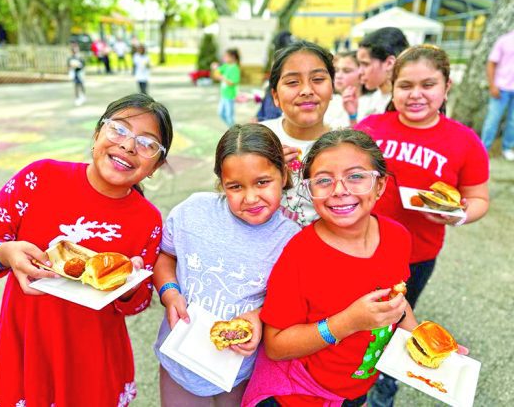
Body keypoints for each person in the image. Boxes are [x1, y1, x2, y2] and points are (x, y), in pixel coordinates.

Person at [0, 93, 173, 406]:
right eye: (119, 129)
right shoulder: (39, 178)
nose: (129, 146)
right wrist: (5, 252)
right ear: (96, 135)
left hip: (94, 356)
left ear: (156, 165)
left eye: (147, 143)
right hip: (29, 345)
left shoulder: (148, 220)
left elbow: (139, 302)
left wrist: (128, 285)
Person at [242, 129, 419, 406]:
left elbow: (397, 300)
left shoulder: (398, 237)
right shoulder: (300, 255)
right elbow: (276, 346)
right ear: (310, 190)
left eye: (356, 176)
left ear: (381, 185)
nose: (339, 190)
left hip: (356, 388)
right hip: (299, 396)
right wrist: (347, 323)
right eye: (323, 180)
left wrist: (422, 343)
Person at [354, 45, 489, 407]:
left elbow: (478, 198)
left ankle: (383, 391)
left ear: (446, 87)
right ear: (392, 88)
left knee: (393, 324)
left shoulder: (464, 141)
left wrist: (458, 214)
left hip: (416, 256)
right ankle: (346, 387)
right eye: (406, 85)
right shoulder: (369, 128)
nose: (416, 94)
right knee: (354, 323)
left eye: (428, 84)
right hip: (356, 249)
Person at [153, 123, 300, 406]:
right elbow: (166, 255)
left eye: (262, 182)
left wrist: (258, 316)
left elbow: (288, 301)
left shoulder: (292, 240)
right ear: (222, 182)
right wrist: (169, 292)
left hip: (241, 366)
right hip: (180, 357)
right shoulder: (191, 212)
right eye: (235, 186)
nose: (251, 197)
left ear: (283, 174)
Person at [260, 40, 334, 227]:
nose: (307, 91)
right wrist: (263, 171)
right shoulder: (257, 140)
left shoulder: (347, 145)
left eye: (318, 79)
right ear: (275, 96)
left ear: (332, 88)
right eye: (293, 82)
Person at [345, 27, 409, 126]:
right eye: (359, 64)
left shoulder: (406, 104)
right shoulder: (372, 99)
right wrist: (353, 116)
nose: (360, 72)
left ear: (389, 63)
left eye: (365, 64)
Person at [480, 29, 514, 160]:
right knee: (492, 120)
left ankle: (507, 148)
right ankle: (484, 149)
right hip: (501, 88)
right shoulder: (504, 40)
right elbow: (491, 63)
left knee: (513, 122)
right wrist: (492, 85)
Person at [324, 51, 371, 129]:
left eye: (346, 71)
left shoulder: (371, 103)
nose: (338, 76)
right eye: (337, 70)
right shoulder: (329, 100)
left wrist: (353, 117)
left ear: (362, 74)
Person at [211, 48, 241, 127]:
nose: (224, 58)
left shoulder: (235, 69)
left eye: (226, 56)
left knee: (229, 116)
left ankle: (233, 131)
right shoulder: (226, 66)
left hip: (230, 96)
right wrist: (215, 69)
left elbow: (232, 82)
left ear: (233, 57)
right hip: (223, 95)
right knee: (220, 113)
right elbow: (216, 74)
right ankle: (231, 129)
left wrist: (222, 77)